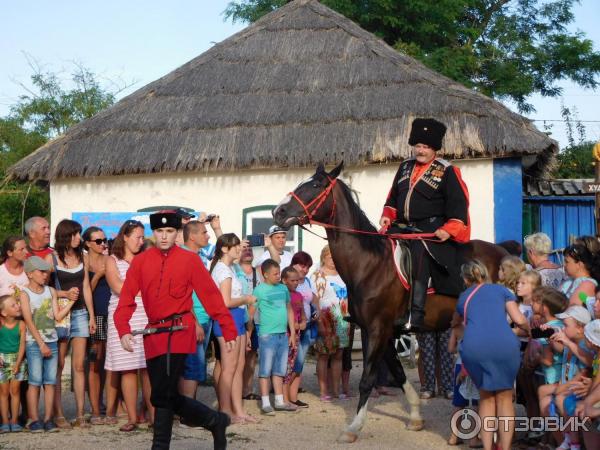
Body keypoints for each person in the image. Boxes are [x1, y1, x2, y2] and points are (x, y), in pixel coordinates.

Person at [114, 210, 237, 450]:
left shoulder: (190, 260)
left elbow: (211, 296)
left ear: (177, 233)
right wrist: (123, 329)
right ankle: (215, 420)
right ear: (153, 232)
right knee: (162, 395)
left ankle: (160, 446)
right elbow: (126, 298)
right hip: (153, 334)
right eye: (159, 231)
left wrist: (228, 328)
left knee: (163, 394)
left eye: (169, 231)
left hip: (180, 330)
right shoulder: (141, 261)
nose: (163, 237)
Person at [379, 118, 470, 331]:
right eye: (418, 146)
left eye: (426, 147)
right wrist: (387, 215)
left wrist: (449, 229)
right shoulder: (404, 167)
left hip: (431, 232)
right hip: (402, 227)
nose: (420, 150)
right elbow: (393, 197)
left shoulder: (447, 171)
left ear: (434, 149)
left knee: (419, 254)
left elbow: (459, 204)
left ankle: (415, 314)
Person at [456, 260, 529, 450]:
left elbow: (460, 324)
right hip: (503, 345)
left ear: (466, 279)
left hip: (475, 348)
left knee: (486, 398)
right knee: (505, 398)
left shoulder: (463, 297)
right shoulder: (502, 291)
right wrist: (531, 330)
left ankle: (487, 447)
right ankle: (504, 447)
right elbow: (519, 320)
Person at [45, 219, 96, 429]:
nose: (78, 238)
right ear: (65, 235)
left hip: (80, 313)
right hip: (60, 315)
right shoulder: (52, 258)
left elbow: (86, 288)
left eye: (79, 234)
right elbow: (44, 289)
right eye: (74, 234)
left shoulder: (83, 257)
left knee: (78, 366)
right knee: (59, 366)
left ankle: (80, 414)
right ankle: (59, 414)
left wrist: (92, 316)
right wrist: (64, 293)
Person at [104, 220, 153, 431]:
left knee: (148, 368)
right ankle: (132, 417)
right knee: (127, 368)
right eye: (137, 237)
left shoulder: (146, 259)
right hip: (123, 315)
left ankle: (153, 415)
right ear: (125, 236)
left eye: (143, 237)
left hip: (146, 315)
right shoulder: (112, 260)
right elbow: (117, 286)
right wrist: (142, 291)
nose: (141, 242)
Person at [210, 233, 257, 424]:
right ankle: (225, 410)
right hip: (227, 319)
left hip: (237, 318)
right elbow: (226, 301)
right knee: (228, 368)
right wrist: (247, 299)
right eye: (236, 246)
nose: (240, 249)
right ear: (224, 249)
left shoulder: (230, 268)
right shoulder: (222, 270)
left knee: (238, 367)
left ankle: (238, 410)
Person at [19, 256, 69, 433]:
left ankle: (48, 419)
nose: (45, 274)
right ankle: (34, 419)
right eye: (41, 271)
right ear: (30, 274)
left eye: (46, 271)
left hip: (52, 341)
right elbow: (28, 320)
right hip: (35, 343)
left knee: (49, 382)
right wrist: (41, 344)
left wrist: (70, 302)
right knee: (35, 381)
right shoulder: (25, 294)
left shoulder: (50, 291)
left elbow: (57, 316)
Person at [178, 220, 214, 426]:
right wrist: (194, 321)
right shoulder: (183, 257)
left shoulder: (200, 256)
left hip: (204, 316)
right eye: (204, 232)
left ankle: (185, 409)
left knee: (193, 367)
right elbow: (183, 293)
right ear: (192, 236)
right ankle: (187, 414)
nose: (207, 236)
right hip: (194, 319)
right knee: (192, 367)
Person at [254, 259, 297, 414]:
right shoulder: (259, 290)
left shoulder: (283, 289)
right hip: (267, 335)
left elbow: (289, 309)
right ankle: (266, 402)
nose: (278, 276)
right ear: (265, 275)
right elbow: (251, 313)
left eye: (279, 272)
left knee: (280, 369)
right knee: (265, 370)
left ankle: (279, 400)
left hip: (282, 335)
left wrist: (291, 332)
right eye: (275, 273)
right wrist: (248, 333)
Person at [312, 245, 350, 401]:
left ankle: (336, 390)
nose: (333, 261)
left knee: (339, 354)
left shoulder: (344, 274)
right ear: (323, 258)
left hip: (342, 317)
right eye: (329, 257)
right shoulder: (317, 275)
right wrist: (319, 319)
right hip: (326, 316)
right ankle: (323, 391)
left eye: (335, 257)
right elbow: (314, 299)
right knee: (323, 354)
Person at [82, 226, 111, 425]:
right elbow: (86, 292)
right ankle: (95, 409)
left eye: (104, 240)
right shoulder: (84, 262)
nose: (103, 244)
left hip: (112, 315)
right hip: (96, 316)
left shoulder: (110, 260)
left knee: (110, 363)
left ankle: (109, 407)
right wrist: (99, 275)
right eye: (98, 241)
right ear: (88, 243)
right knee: (94, 363)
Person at [288, 251, 315, 406]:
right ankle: (283, 396)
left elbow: (311, 299)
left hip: (307, 324)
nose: (305, 270)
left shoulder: (307, 282)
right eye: (302, 266)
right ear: (293, 264)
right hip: (293, 327)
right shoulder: (288, 281)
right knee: (291, 362)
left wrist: (316, 309)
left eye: (308, 267)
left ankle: (293, 396)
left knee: (300, 362)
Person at [0, 295, 27, 433]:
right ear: (4, 313)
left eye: (17, 303)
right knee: (3, 392)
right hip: (2, 360)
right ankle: (5, 422)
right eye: (13, 305)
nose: (18, 306)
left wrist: (18, 363)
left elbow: (22, 345)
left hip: (18, 360)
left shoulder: (21, 324)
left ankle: (14, 421)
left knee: (15, 391)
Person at [281, 267, 307, 406]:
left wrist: (303, 321)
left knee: (295, 364)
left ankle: (291, 396)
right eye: (293, 280)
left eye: (298, 280)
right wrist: (293, 325)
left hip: (297, 334)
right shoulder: (282, 294)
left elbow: (302, 312)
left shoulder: (298, 295)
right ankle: (284, 398)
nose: (296, 283)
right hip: (286, 333)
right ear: (284, 280)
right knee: (286, 367)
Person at [239, 247, 260, 401]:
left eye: (250, 250)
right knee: (239, 356)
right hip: (240, 318)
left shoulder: (258, 272)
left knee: (252, 355)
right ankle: (236, 390)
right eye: (244, 249)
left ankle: (247, 389)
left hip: (255, 320)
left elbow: (276, 262)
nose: (248, 252)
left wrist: (269, 244)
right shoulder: (233, 270)